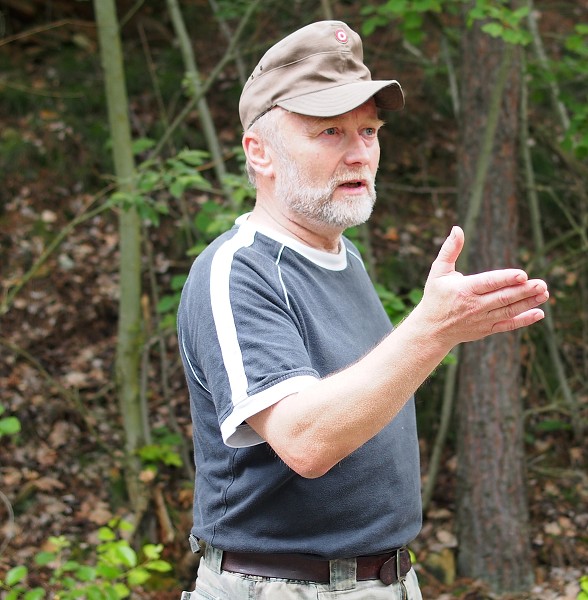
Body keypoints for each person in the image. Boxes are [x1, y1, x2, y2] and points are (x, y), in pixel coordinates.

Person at [177, 20, 549, 600]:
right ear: (260, 152)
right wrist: (431, 331)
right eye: (330, 132)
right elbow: (306, 442)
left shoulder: (343, 257)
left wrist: (438, 330)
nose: (359, 153)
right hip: (279, 587)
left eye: (369, 131)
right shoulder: (235, 270)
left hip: (389, 581)